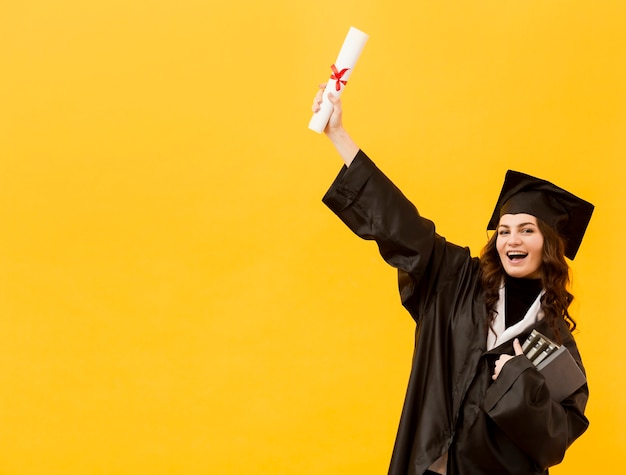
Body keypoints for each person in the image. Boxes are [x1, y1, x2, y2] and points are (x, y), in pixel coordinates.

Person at [311, 86, 594, 475]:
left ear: (548, 244)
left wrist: (518, 378)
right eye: (504, 230)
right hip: (428, 465)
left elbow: (555, 440)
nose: (512, 239)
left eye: (527, 230)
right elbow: (403, 227)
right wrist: (338, 134)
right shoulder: (457, 281)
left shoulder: (556, 342)